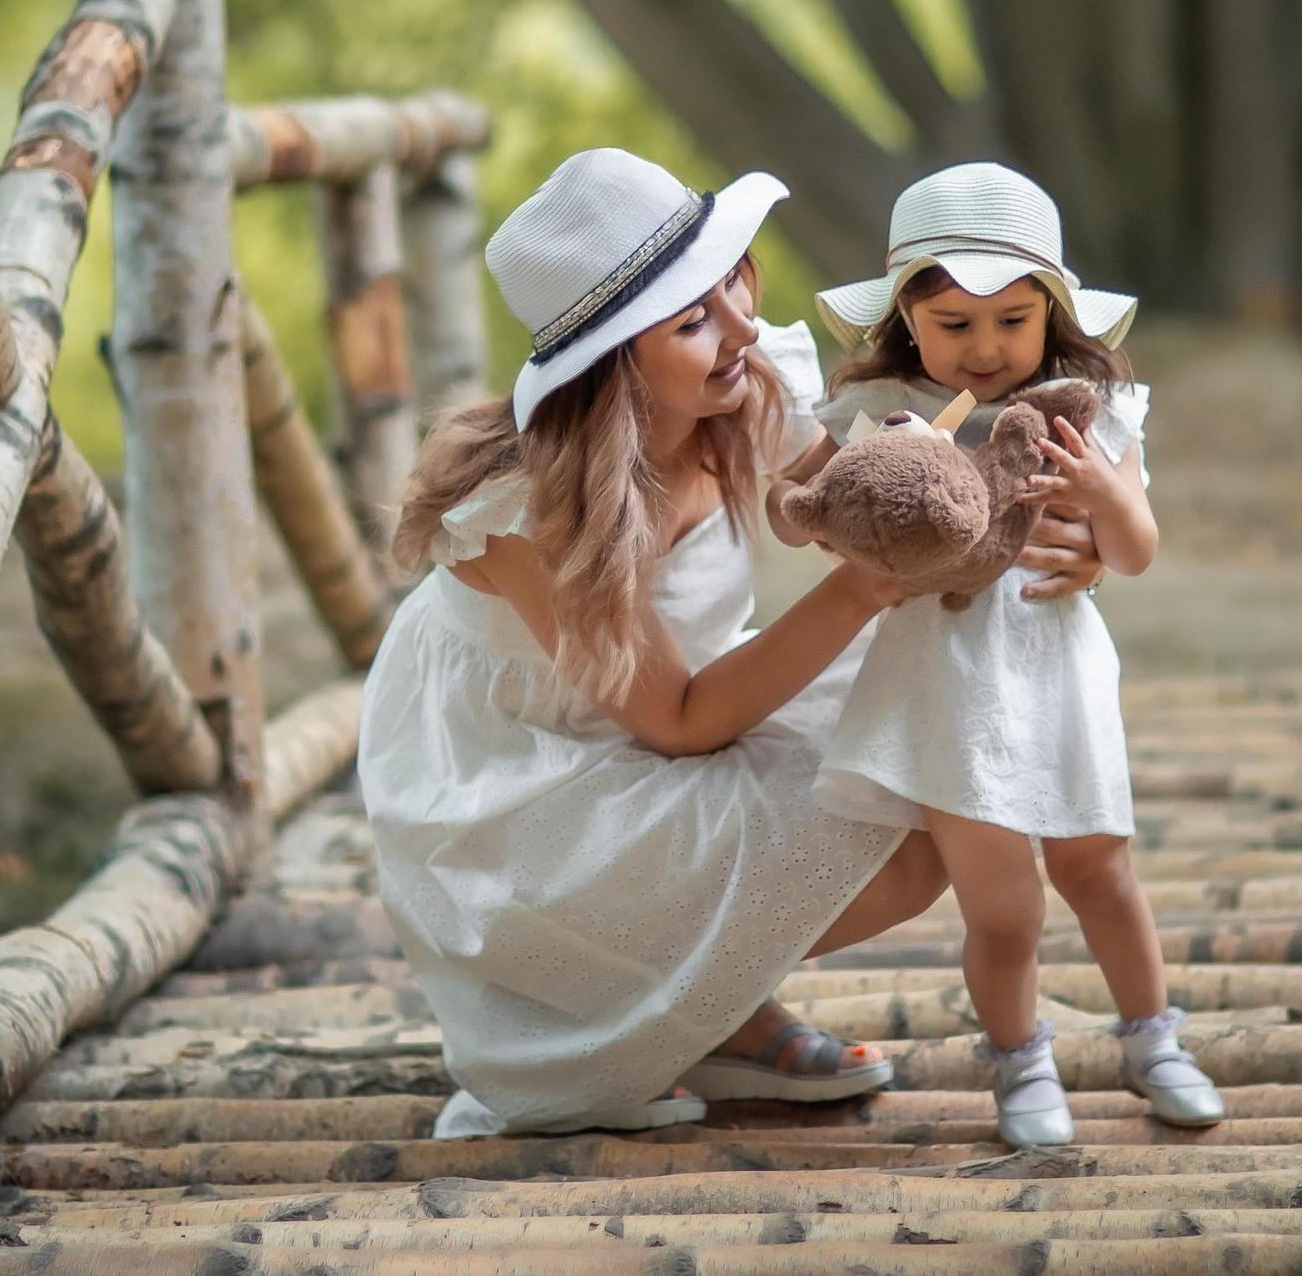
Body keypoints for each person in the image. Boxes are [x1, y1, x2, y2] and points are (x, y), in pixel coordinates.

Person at [360, 149, 1102, 1139]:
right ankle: (670, 1008)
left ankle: (709, 1006)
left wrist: (1035, 524)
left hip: (678, 708)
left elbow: (869, 506)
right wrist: (860, 588)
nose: (743, 329)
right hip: (528, 784)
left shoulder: (743, 383)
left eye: (733, 284)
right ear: (614, 360)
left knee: (928, 797)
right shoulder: (525, 518)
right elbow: (676, 722)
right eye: (692, 320)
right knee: (876, 806)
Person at [772, 161, 1225, 1145]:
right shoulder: (882, 409)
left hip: (1054, 667)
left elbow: (1137, 552)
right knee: (1003, 906)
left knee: (1098, 870)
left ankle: (1153, 1038)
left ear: (1051, 315)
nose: (984, 348)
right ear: (906, 319)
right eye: (954, 323)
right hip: (941, 679)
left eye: (1011, 321)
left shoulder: (1090, 412)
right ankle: (1020, 1063)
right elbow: (839, 523)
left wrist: (1101, 496)